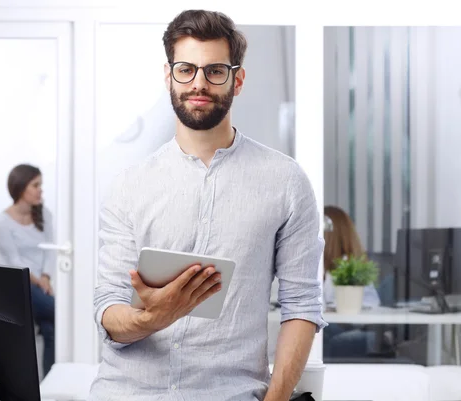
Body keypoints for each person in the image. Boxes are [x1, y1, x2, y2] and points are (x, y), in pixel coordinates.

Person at [89, 10, 326, 401]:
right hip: (126, 392)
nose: (199, 83)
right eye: (186, 69)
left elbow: (301, 305)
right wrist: (151, 318)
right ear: (169, 76)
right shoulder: (128, 186)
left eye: (215, 70)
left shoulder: (286, 182)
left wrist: (277, 397)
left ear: (238, 79)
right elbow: (108, 308)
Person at [0, 163, 56, 376]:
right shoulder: (2, 222)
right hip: (20, 284)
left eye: (41, 185)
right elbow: (14, 260)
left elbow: (52, 250)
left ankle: (48, 387)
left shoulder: (44, 214)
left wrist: (46, 276)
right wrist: (40, 281)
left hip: (42, 284)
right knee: (57, 311)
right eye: (35, 185)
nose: (41, 190)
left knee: (51, 327)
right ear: (21, 188)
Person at [322, 205, 381, 358]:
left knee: (321, 330)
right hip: (331, 325)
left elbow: (371, 303)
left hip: (347, 326)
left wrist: (335, 307)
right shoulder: (317, 266)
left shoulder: (351, 267)